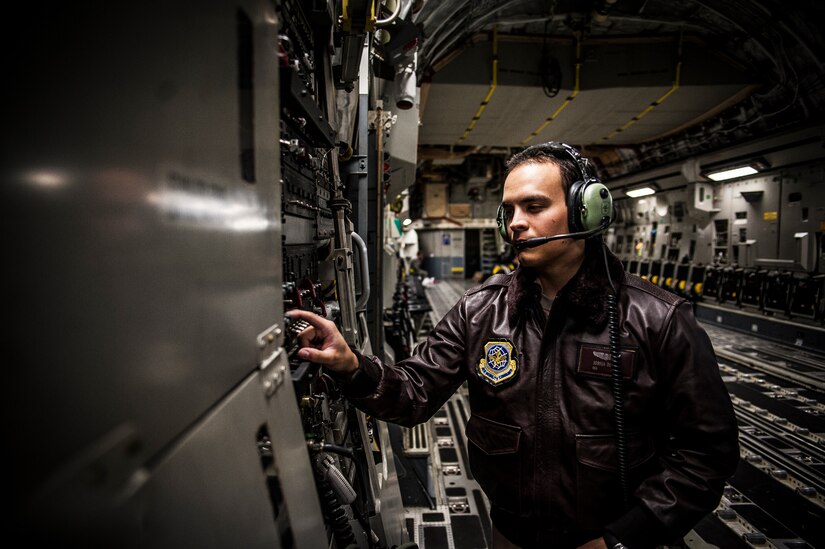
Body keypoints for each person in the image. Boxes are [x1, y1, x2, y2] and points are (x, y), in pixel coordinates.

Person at [288, 142, 739, 549]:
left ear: (587, 212)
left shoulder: (658, 319)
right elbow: (414, 392)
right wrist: (351, 366)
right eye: (510, 210)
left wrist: (624, 537)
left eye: (534, 206)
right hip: (511, 533)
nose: (517, 223)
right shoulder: (480, 310)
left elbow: (706, 454)